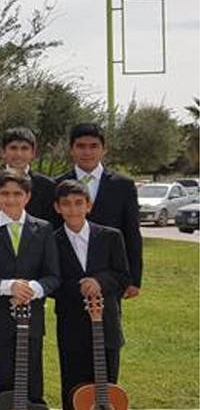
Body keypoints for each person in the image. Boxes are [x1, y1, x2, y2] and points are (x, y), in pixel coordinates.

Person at [0, 171, 60, 410]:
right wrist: (9, 286)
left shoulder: (43, 229)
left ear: (27, 196)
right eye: (5, 194)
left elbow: (53, 275)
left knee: (30, 376)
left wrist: (33, 288)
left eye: (17, 194)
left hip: (31, 317)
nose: (11, 199)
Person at [51, 179, 131, 410]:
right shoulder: (52, 240)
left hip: (105, 323)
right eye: (66, 204)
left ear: (89, 205)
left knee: (106, 385)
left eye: (78, 203)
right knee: (74, 384)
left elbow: (122, 276)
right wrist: (79, 287)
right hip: (72, 324)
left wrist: (100, 281)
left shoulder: (110, 236)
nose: (73, 209)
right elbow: (52, 282)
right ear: (57, 208)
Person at [54, 122, 142, 299]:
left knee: (109, 324)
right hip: (69, 277)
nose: (87, 152)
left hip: (109, 274)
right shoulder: (56, 184)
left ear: (104, 149)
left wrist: (134, 279)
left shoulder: (123, 186)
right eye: (80, 146)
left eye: (94, 146)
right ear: (71, 149)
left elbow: (132, 232)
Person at [0, 127, 56, 223]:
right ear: (3, 152)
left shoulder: (47, 186)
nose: (19, 154)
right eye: (13, 148)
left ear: (33, 153)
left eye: (24, 148)